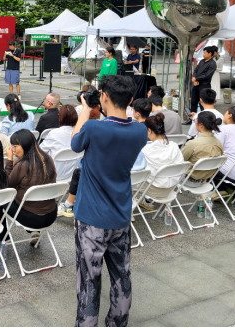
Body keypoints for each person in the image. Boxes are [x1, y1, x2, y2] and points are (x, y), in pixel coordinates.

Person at [70, 75, 147, 327]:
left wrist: (85, 109)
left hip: (92, 216)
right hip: (120, 214)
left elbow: (75, 143)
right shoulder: (140, 130)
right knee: (121, 275)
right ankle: (117, 322)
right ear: (131, 100)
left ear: (103, 97)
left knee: (89, 279)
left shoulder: (94, 128)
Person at [2, 130, 58, 249]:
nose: (13, 150)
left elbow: (7, 187)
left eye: (15, 146)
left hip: (31, 219)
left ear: (25, 145)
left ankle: (3, 238)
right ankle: (35, 232)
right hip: (50, 215)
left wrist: (9, 161)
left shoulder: (23, 165)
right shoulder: (48, 159)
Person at [137, 113, 185, 210]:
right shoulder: (174, 147)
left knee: (129, 180)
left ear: (149, 131)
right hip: (171, 189)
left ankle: (131, 210)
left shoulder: (145, 150)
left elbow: (139, 172)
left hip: (152, 190)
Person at [181, 112, 224, 186]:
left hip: (188, 180)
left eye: (195, 121)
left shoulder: (192, 144)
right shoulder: (219, 143)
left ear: (201, 125)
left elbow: (180, 160)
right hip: (206, 179)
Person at [40, 104, 78, 179]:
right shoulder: (79, 134)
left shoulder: (54, 134)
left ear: (59, 118)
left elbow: (40, 151)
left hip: (52, 174)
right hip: (70, 175)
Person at [188, 45, 218, 119]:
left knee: (203, 103)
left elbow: (207, 75)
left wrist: (196, 79)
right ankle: (192, 117)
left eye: (204, 52)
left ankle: (203, 118)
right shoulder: (201, 61)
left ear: (210, 53)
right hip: (196, 84)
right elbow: (196, 70)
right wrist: (194, 78)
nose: (203, 54)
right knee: (193, 101)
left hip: (204, 85)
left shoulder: (212, 64)